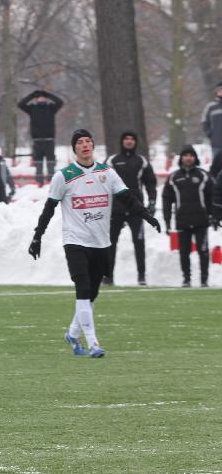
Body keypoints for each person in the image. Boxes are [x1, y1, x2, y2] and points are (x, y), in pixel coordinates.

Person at [27, 129, 161, 357]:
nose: (85, 145)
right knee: (83, 289)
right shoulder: (64, 176)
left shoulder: (107, 173)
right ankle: (93, 343)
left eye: (88, 141)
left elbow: (127, 198)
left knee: (92, 294)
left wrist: (147, 216)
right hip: (75, 241)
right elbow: (49, 209)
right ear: (74, 148)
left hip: (101, 242)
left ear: (93, 146)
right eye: (80, 142)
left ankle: (72, 333)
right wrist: (37, 236)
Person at [104, 131, 157, 286]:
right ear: (121, 141)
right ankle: (108, 276)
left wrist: (152, 201)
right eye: (126, 138)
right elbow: (101, 182)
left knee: (139, 242)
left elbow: (150, 183)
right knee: (110, 243)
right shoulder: (112, 160)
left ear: (136, 142)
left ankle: (141, 276)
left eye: (132, 139)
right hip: (116, 209)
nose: (129, 141)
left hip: (136, 209)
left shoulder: (142, 161)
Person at [163, 145, 214, 287]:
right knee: (184, 253)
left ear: (195, 158)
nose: (188, 158)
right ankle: (186, 279)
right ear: (181, 158)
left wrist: (213, 216)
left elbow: (212, 197)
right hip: (182, 221)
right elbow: (167, 200)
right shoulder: (174, 177)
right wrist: (167, 221)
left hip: (201, 221)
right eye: (185, 155)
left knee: (203, 251)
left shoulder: (203, 176)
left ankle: (204, 279)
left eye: (191, 155)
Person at [17, 89, 64, 185]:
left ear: (46, 99)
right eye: (39, 98)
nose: (41, 99)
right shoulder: (32, 108)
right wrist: (32, 95)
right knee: (38, 162)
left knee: (51, 161)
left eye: (43, 97)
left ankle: (51, 181)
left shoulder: (51, 108)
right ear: (36, 99)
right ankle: (39, 182)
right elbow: (20, 104)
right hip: (37, 140)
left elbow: (60, 102)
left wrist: (48, 94)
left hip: (49, 139)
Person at [200, 81, 222, 161]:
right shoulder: (210, 106)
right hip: (216, 143)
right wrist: (210, 134)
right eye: (219, 89)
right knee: (217, 166)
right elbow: (204, 121)